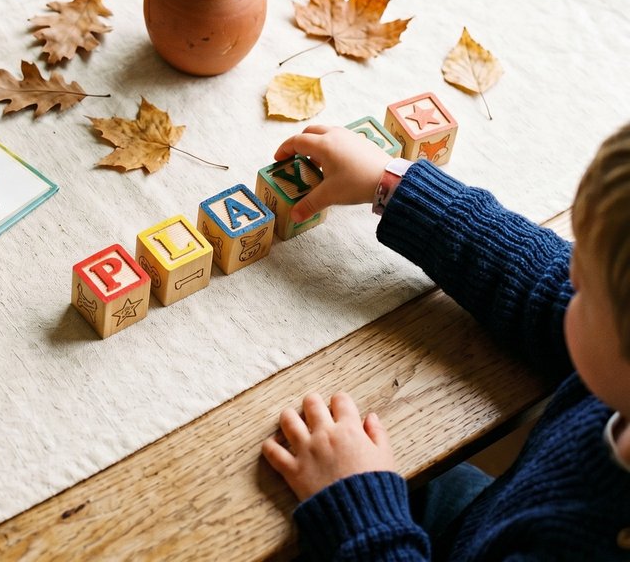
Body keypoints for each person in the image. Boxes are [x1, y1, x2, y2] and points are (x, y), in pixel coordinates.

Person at [259, 123, 630, 560]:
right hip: (490, 516)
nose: (569, 277)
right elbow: (539, 284)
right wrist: (395, 186)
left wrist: (357, 504)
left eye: (584, 286)